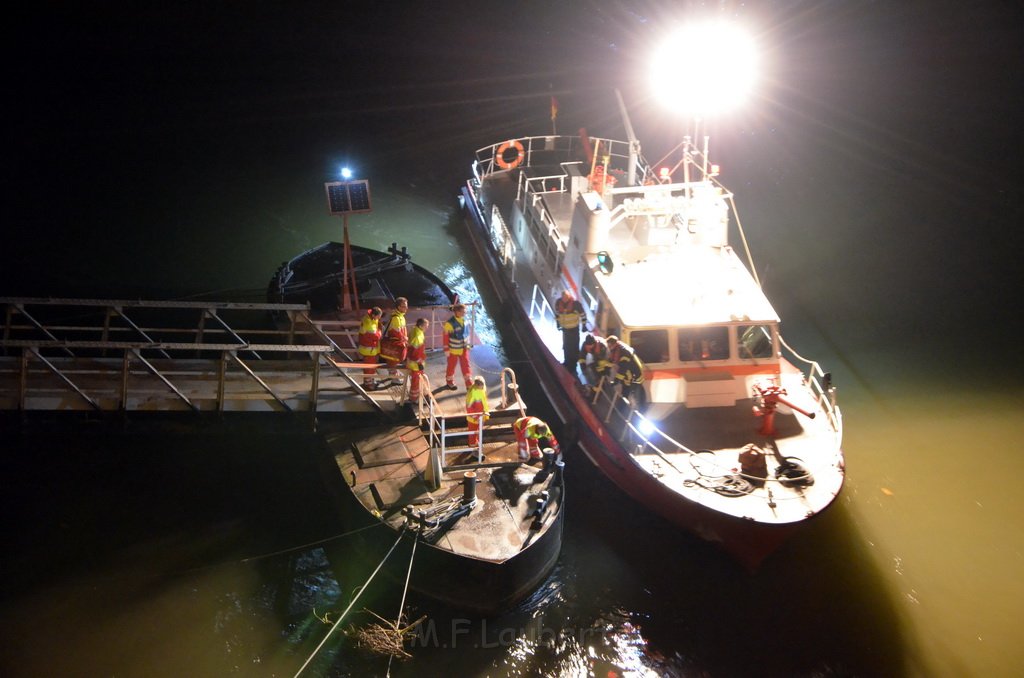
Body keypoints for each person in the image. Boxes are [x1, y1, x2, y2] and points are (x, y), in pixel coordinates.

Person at [607, 335, 647, 408]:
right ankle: (623, 406)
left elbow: (623, 368)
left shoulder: (624, 354)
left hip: (634, 376)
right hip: (630, 374)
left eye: (610, 346)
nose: (609, 347)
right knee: (627, 391)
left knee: (632, 393)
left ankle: (636, 408)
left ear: (615, 344)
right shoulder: (618, 348)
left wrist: (616, 380)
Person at [442, 303, 472, 390]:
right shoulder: (449, 324)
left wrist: (468, 345)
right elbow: (445, 337)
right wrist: (446, 349)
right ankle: (449, 381)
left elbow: (467, 334)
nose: (465, 313)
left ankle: (468, 382)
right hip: (453, 350)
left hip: (464, 349)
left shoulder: (464, 321)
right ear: (457, 312)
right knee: (451, 366)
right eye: (463, 311)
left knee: (466, 365)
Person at [554, 289, 586, 372]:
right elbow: (557, 314)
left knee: (574, 347)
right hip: (565, 330)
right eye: (563, 297)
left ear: (569, 297)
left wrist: (584, 325)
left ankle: (573, 365)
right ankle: (567, 362)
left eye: (566, 297)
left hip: (574, 329)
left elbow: (583, 315)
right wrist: (558, 323)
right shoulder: (558, 303)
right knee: (566, 347)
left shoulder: (576, 304)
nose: (564, 299)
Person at [379, 297, 408, 382]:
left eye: (406, 306)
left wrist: (404, 338)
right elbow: (396, 332)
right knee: (393, 358)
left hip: (398, 342)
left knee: (394, 358)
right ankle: (393, 375)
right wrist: (404, 339)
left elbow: (402, 330)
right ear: (399, 307)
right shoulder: (396, 318)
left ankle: (394, 371)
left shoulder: (400, 316)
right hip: (395, 342)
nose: (406, 308)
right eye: (404, 306)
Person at [356, 306, 383, 390]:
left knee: (370, 367)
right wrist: (379, 332)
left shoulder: (370, 319)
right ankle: (369, 384)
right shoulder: (369, 323)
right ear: (374, 315)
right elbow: (376, 336)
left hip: (368, 349)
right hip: (369, 350)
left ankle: (369, 381)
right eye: (378, 316)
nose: (379, 318)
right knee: (369, 367)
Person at [406, 317, 429, 403]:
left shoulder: (414, 330)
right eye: (426, 326)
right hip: (415, 364)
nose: (427, 328)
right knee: (415, 382)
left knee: (416, 380)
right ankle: (414, 398)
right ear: (420, 326)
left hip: (412, 362)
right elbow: (416, 353)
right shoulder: (418, 336)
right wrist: (420, 362)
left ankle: (416, 395)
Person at [465, 375, 489, 447]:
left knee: (477, 432)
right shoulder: (472, 393)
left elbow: (484, 404)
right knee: (473, 432)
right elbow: (469, 407)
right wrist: (476, 417)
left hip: (480, 417)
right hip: (474, 418)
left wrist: (485, 415)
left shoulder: (480, 391)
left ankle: (476, 444)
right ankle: (473, 446)